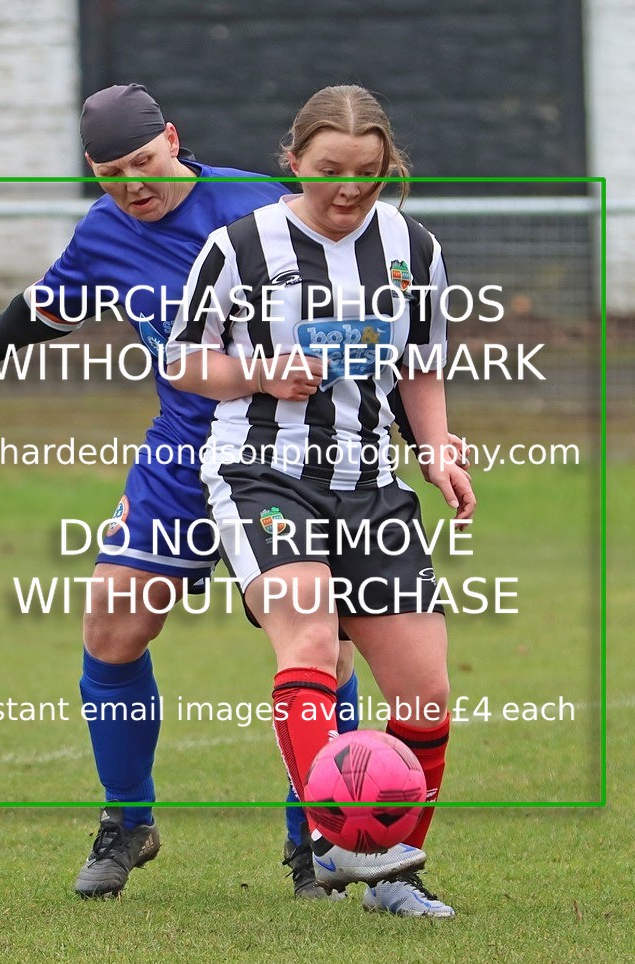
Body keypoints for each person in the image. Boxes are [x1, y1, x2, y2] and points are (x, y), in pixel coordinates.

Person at [0, 83, 432, 905]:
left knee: (320, 643)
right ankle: (127, 822)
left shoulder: (261, 206)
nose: (134, 183)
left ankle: (318, 835)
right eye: (110, 172)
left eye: (144, 162)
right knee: (112, 619)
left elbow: (374, 313)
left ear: (173, 139)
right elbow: (46, 309)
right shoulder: (106, 232)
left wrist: (415, 439)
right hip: (181, 455)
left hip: (287, 453)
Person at [167, 84, 476, 917]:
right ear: (293, 160)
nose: (348, 188)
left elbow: (419, 365)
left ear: (388, 168)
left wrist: (437, 450)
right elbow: (185, 361)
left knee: (425, 694)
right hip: (261, 473)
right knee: (306, 638)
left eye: (368, 173)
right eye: (330, 169)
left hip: (371, 484)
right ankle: (333, 840)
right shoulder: (240, 246)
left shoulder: (414, 246)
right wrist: (261, 372)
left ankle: (394, 875)